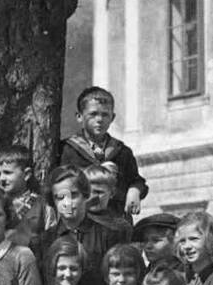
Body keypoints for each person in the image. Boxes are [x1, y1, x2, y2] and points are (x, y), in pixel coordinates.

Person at [32, 165, 131, 285]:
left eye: (73, 195)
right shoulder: (43, 242)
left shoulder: (110, 235)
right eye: (60, 197)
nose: (67, 203)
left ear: (85, 195)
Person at [56, 86, 148, 217]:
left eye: (105, 114)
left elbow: (136, 180)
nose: (99, 119)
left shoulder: (122, 151)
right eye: (93, 114)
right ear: (79, 117)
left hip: (115, 221)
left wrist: (134, 191)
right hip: (80, 221)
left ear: (112, 117)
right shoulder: (67, 149)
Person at [0, 144, 50, 248]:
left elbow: (51, 237)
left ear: (27, 174)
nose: (1, 178)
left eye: (7, 173)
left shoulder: (42, 205)